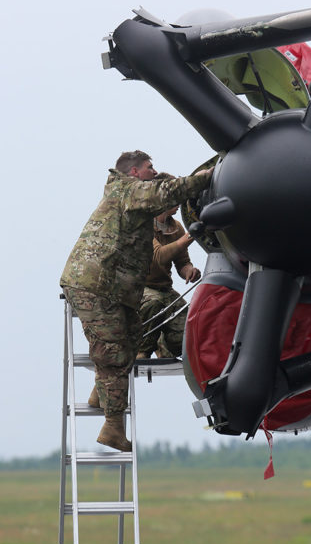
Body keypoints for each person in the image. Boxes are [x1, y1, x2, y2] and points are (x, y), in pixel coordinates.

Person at [60, 150, 212, 451]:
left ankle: (99, 394)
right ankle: (113, 428)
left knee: (131, 338)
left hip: (113, 287)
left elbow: (167, 194)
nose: (154, 171)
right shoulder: (129, 190)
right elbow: (169, 190)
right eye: (149, 167)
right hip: (96, 285)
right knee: (114, 356)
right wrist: (211, 177)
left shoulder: (136, 201)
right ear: (133, 172)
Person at [137, 183, 201, 359]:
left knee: (187, 334)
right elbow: (160, 256)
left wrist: (189, 271)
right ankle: (141, 351)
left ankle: (163, 345)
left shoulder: (176, 227)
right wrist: (194, 233)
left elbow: (182, 262)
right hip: (141, 289)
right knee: (154, 304)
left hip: (164, 288)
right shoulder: (143, 224)